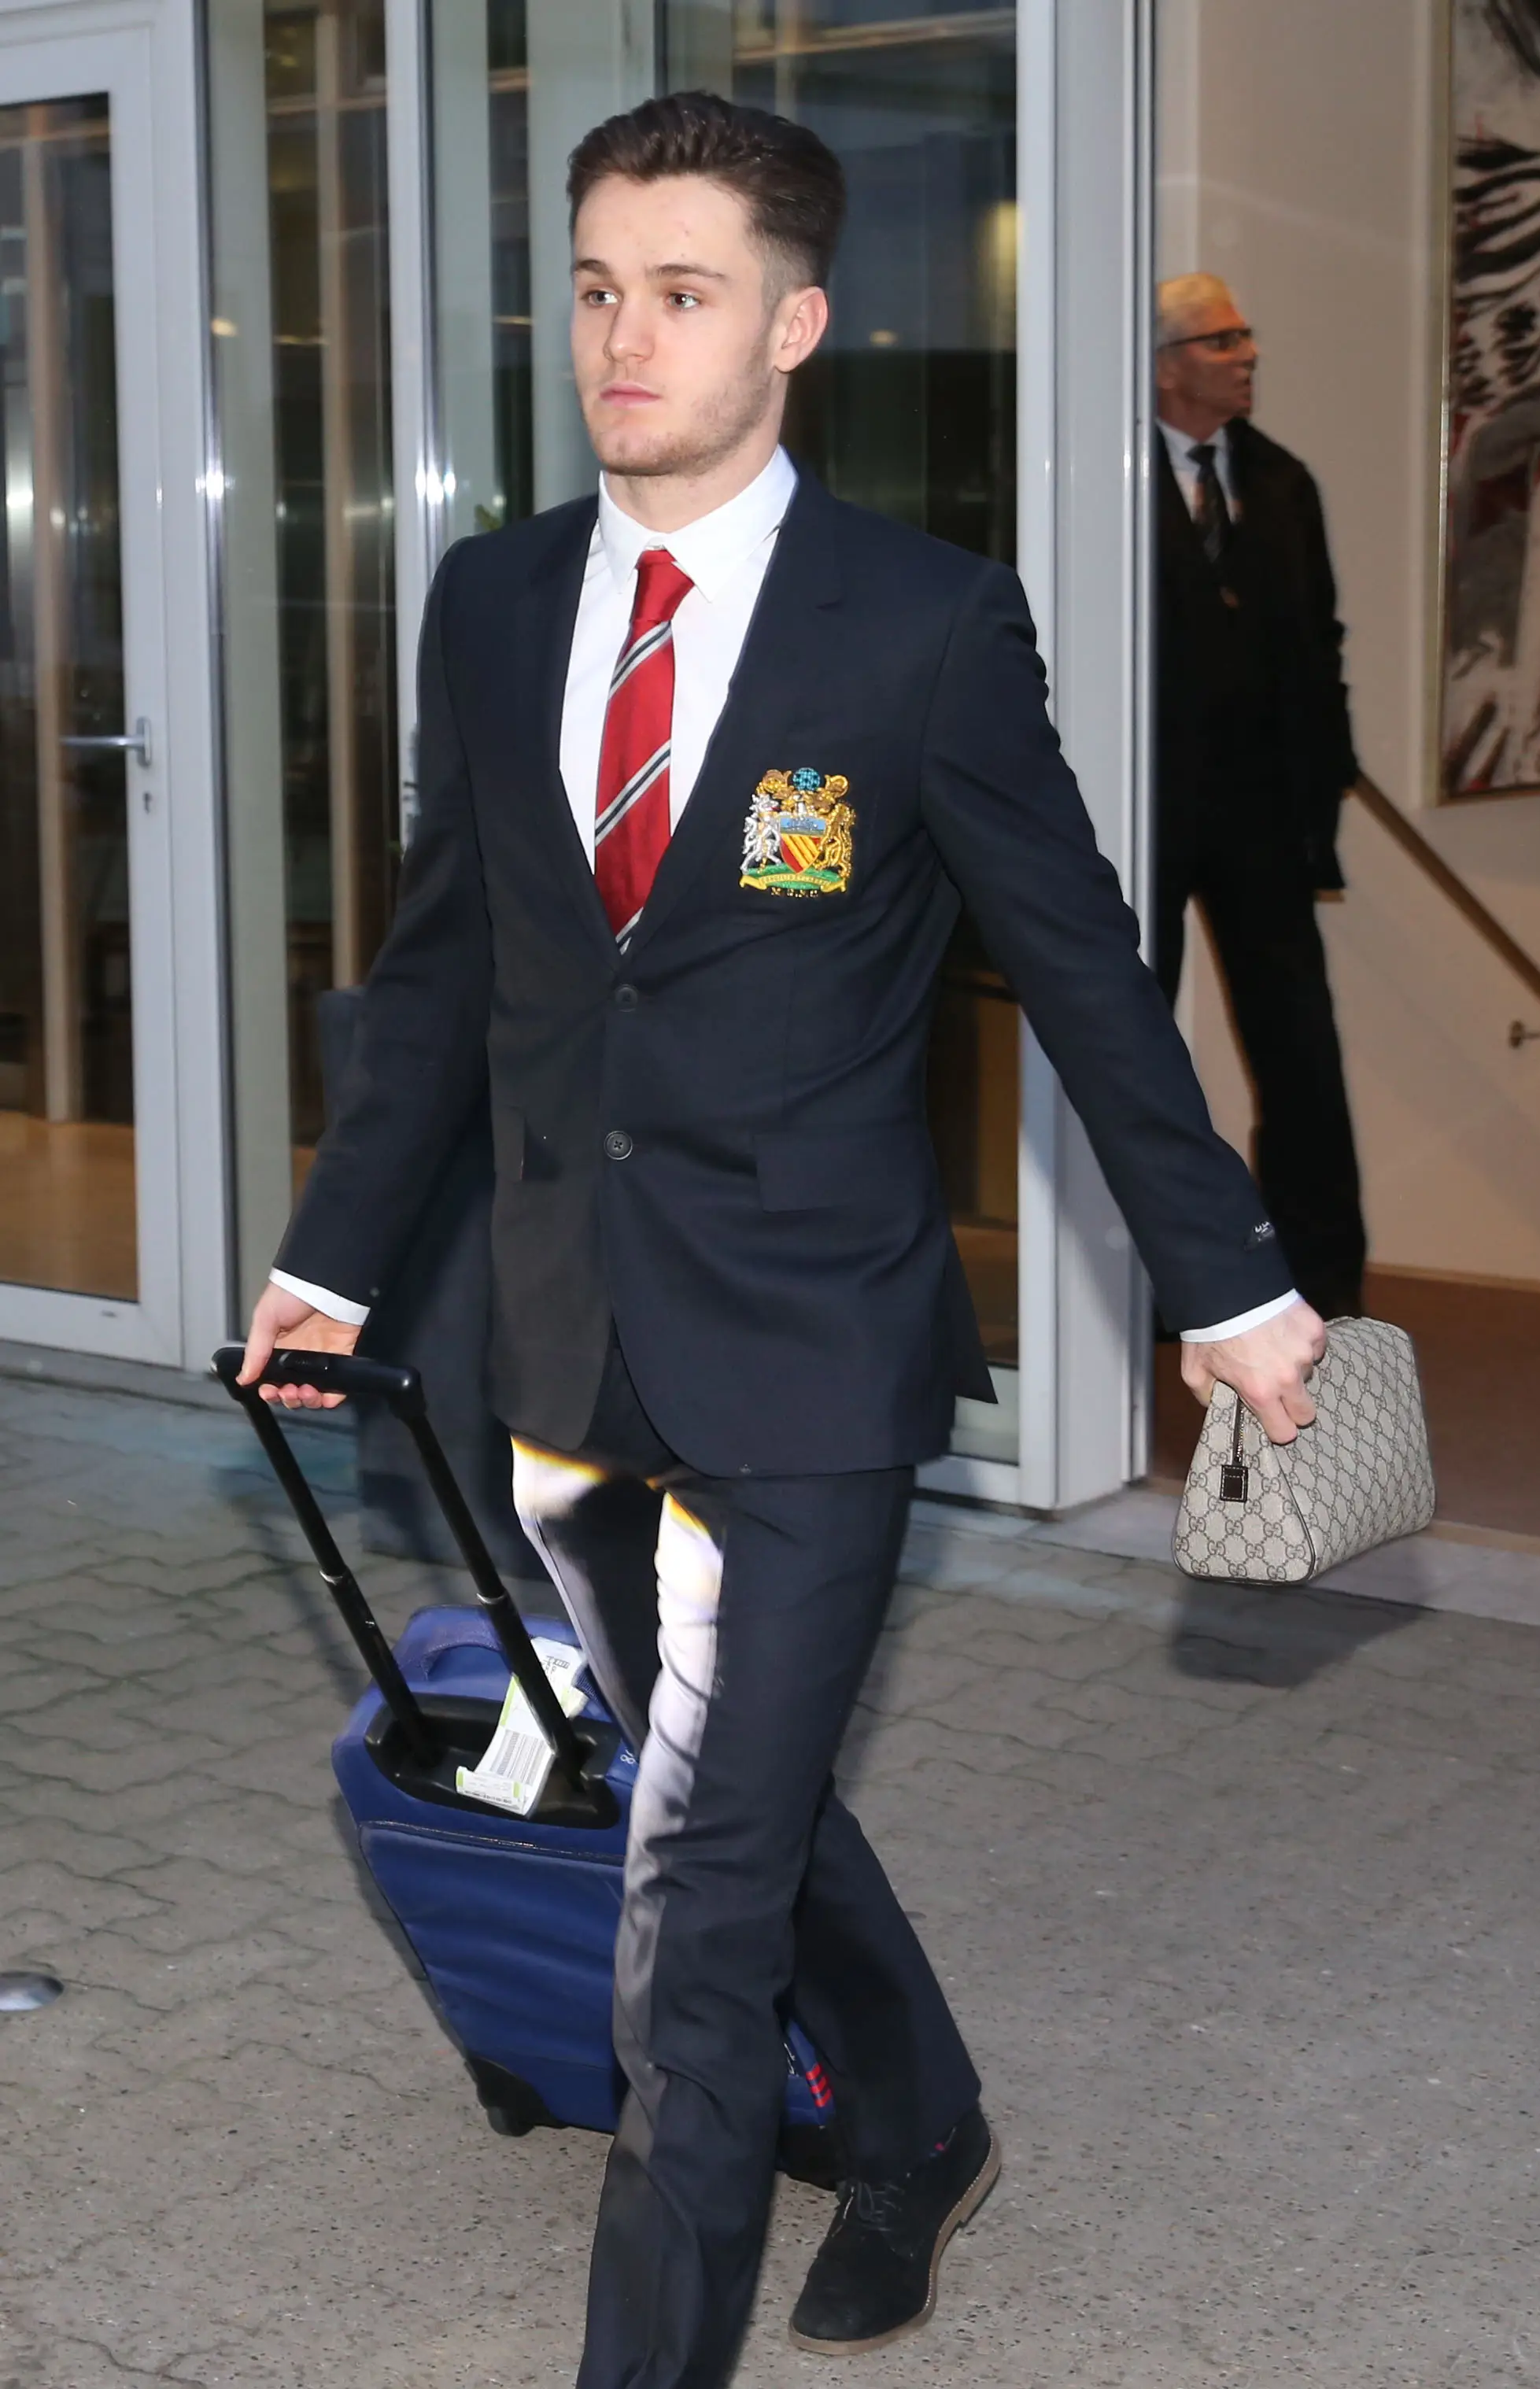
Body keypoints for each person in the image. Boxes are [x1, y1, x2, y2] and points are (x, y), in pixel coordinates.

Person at [239, 95, 1326, 2389]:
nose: (622, 340)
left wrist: (1228, 1281)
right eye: (596, 290)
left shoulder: (918, 626)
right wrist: (332, 1257)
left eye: (684, 292)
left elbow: (1087, 970)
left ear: (797, 326)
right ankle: (920, 2127)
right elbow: (449, 967)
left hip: (814, 1351)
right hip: (569, 1331)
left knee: (694, 1905)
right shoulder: (496, 600)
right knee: (735, 1784)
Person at [1153, 271, 1368, 1319]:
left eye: (1244, 337)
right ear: (1165, 365)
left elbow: (1320, 645)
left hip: (1265, 814)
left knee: (1299, 1047)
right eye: (1223, 340)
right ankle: (1147, 1281)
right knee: (1136, 1050)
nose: (1247, 356)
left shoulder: (1282, 481)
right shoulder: (1102, 473)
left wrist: (1323, 793)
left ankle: (1318, 1281)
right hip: (1142, 811)